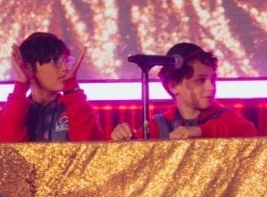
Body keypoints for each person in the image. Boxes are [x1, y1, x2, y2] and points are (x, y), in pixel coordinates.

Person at [110, 42, 257, 140]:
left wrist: (200, 131)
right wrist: (123, 138)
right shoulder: (159, 125)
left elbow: (248, 131)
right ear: (174, 86)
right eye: (200, 80)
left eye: (212, 79)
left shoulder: (223, 116)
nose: (211, 87)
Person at [0, 32, 104, 142]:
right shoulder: (12, 112)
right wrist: (20, 87)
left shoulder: (77, 108)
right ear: (29, 67)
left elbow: (88, 148)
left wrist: (71, 88)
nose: (65, 68)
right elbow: (9, 149)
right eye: (55, 61)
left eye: (66, 61)